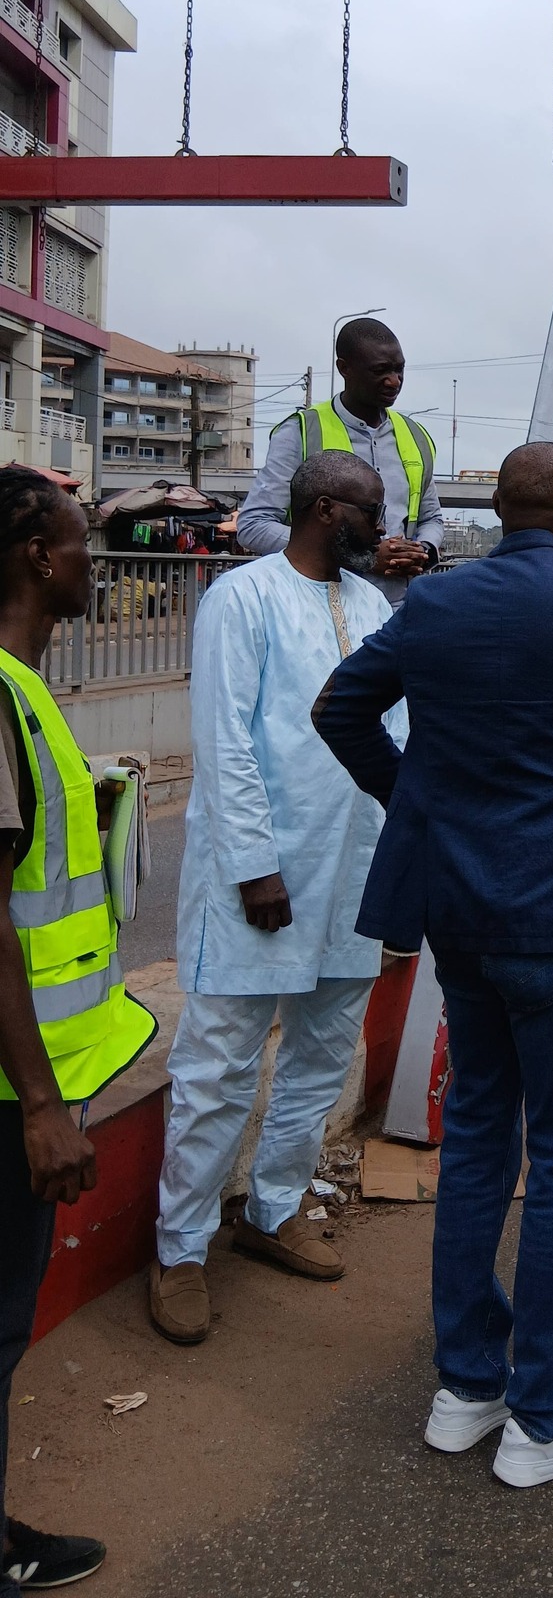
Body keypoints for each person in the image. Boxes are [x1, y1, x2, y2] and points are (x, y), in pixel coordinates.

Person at [313, 442, 553, 1489]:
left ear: (497, 507)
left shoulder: (431, 606)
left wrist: (421, 800)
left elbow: (339, 709)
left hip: (459, 917)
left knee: (479, 1141)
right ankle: (545, 1416)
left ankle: (467, 1387)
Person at [149, 452, 404, 1346]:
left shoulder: (372, 606)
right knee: (218, 1066)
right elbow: (225, 744)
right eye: (371, 511)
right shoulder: (243, 598)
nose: (383, 527)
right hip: (263, 882)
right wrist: (255, 866)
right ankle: (180, 1249)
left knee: (319, 1058)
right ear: (326, 509)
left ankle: (273, 1210)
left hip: (354, 877)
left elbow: (395, 741)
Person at [0, 469, 155, 1589]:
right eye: (74, 542)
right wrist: (46, 1106)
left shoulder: (25, 692)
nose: (90, 561)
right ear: (30, 559)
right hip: (12, 1093)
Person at [237, 318, 442, 605]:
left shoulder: (415, 436)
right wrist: (363, 558)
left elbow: (431, 518)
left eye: (399, 369)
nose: (394, 381)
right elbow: (254, 525)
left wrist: (423, 551)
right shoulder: (301, 432)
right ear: (344, 368)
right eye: (380, 370)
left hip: (398, 611)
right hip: (319, 609)